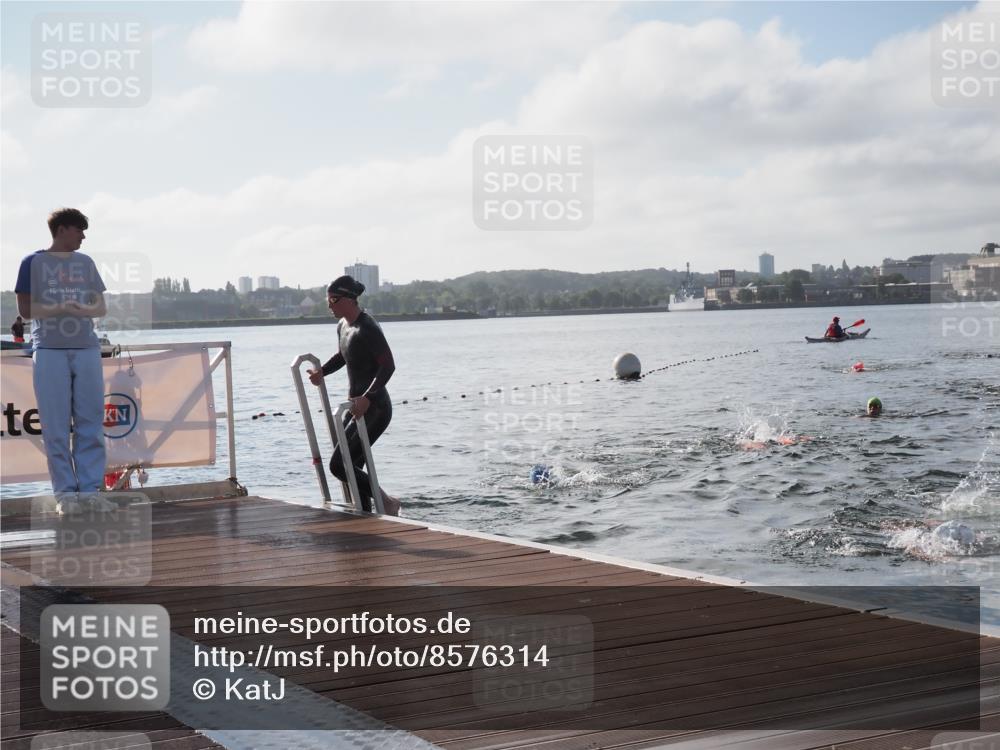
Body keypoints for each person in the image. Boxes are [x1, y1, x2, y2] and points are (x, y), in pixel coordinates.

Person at [14, 208, 108, 510]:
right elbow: (25, 310)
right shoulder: (32, 262)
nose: (83, 237)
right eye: (79, 230)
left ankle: (91, 493)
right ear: (63, 229)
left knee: (90, 423)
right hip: (49, 350)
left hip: (87, 348)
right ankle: (66, 496)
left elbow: (100, 307)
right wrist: (61, 307)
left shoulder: (86, 262)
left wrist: (83, 310)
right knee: (55, 427)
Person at [307, 275, 400, 515]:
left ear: (349, 299)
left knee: (339, 465)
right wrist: (322, 372)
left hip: (375, 407)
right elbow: (343, 354)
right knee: (353, 463)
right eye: (327, 300)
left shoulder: (368, 327)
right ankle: (367, 514)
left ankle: (387, 502)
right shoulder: (343, 325)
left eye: (333, 300)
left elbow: (388, 365)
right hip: (355, 406)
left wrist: (368, 397)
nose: (330, 306)